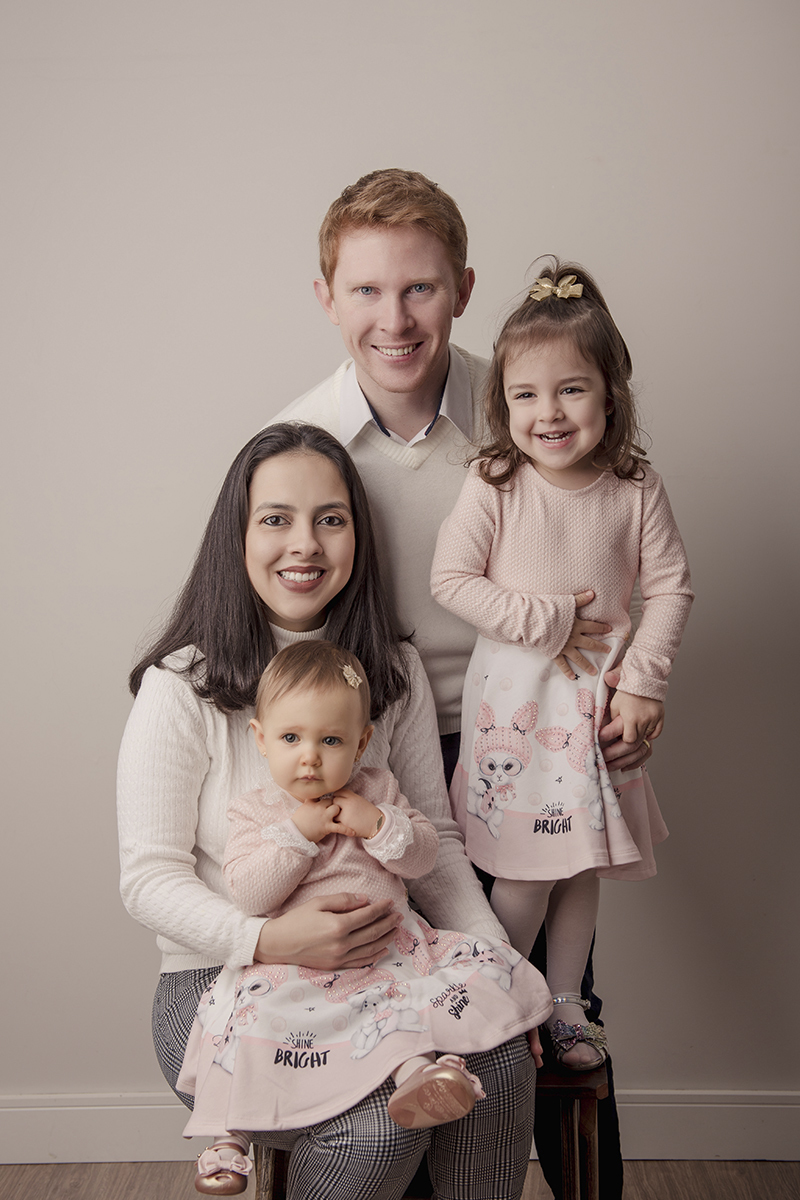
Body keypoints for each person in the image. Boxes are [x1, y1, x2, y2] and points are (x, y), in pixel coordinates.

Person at [270, 168, 652, 1195]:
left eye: (420, 289)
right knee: (406, 1021)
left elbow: (624, 570)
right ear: (325, 297)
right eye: (364, 290)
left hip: (530, 744)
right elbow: (277, 627)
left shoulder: (522, 408)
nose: (393, 319)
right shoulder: (296, 444)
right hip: (377, 765)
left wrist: (631, 696)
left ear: (464, 287)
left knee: (555, 1008)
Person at [117, 421, 541, 1200]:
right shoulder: (183, 685)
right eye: (275, 519)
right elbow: (149, 878)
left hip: (386, 968)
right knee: (380, 1124)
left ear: (357, 535)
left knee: (504, 1062)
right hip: (226, 982)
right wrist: (271, 937)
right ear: (237, 537)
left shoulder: (394, 670)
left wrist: (495, 960)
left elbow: (436, 841)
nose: (304, 544)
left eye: (331, 519)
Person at [431, 260, 693, 1070]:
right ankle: (504, 997)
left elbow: (672, 586)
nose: (548, 413)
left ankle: (569, 1003)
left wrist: (644, 682)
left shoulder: (632, 486)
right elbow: (450, 581)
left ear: (610, 394)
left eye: (571, 390)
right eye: (525, 394)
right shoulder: (494, 481)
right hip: (520, 705)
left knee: (580, 862)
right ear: (502, 401)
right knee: (523, 866)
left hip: (597, 707)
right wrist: (549, 620)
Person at [177, 642, 549, 1192]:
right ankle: (228, 1136)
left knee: (409, 999)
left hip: (388, 951)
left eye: (330, 740)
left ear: (361, 743)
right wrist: (299, 836)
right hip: (295, 966)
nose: (310, 756)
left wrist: (377, 824)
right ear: (260, 739)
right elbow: (249, 893)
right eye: (290, 739)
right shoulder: (257, 811)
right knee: (246, 1019)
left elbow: (424, 855)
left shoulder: (376, 789)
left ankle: (417, 1075)